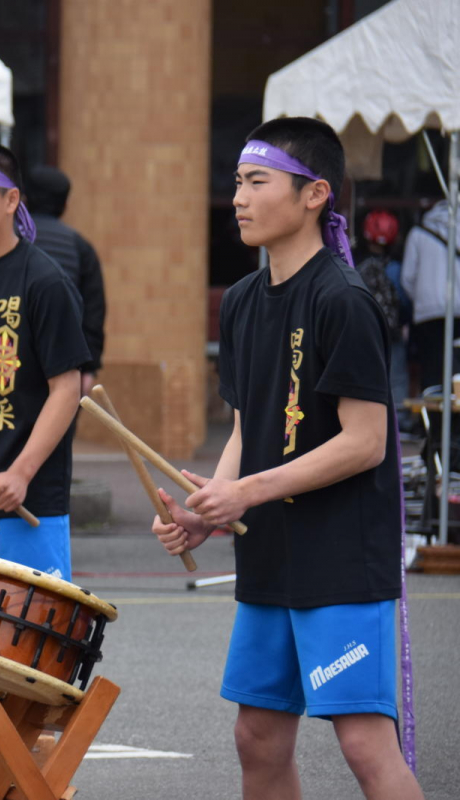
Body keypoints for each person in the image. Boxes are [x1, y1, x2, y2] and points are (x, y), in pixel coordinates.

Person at [152, 118, 422, 799]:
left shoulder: (345, 299)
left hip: (340, 558)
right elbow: (248, 428)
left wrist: (248, 492)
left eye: (256, 182)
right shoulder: (241, 303)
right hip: (269, 552)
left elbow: (366, 441)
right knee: (259, 738)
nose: (238, 197)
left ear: (314, 195)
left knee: (363, 742)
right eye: (237, 182)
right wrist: (208, 507)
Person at [0, 143, 88, 579]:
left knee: (29, 639)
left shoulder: (44, 281)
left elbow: (66, 388)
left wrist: (21, 473)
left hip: (26, 497)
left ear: (11, 200)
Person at [26, 166, 106, 396]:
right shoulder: (79, 247)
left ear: (22, 199)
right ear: (64, 203)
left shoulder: (6, 241)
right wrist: (89, 366)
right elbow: (94, 313)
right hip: (65, 364)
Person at [354, 210, 411, 423]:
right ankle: (400, 423)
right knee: (396, 377)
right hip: (391, 331)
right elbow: (404, 300)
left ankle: (365, 422)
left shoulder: (354, 266)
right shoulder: (395, 267)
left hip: (363, 330)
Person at [402, 198, 460, 390]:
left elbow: (407, 277)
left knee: (432, 369)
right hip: (458, 310)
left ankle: (433, 419)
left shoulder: (418, 233)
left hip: (427, 312)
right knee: (457, 370)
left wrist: (420, 299)